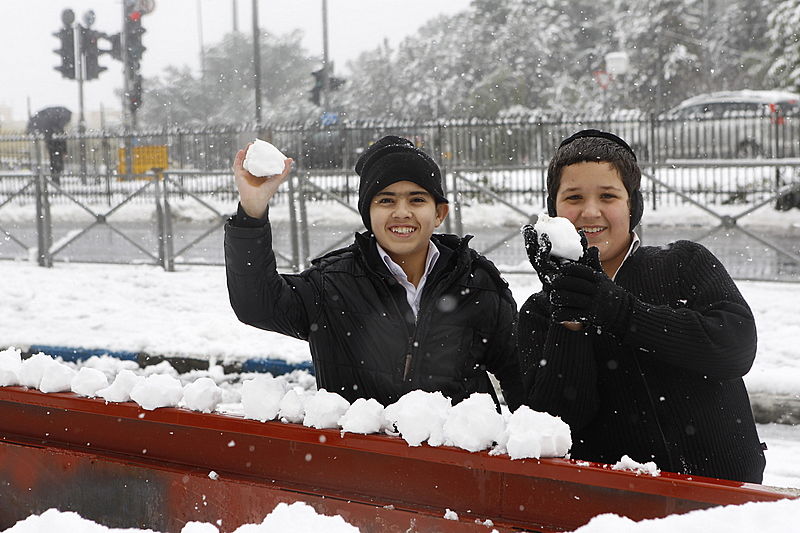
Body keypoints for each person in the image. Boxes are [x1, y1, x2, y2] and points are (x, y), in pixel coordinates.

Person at [518, 129, 766, 483]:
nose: (590, 212)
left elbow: (735, 350)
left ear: (633, 205)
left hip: (726, 496)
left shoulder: (683, 263)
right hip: (615, 502)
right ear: (553, 210)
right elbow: (554, 425)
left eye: (608, 196)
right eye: (573, 197)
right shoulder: (539, 312)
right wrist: (569, 319)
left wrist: (618, 310)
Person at [224, 135, 523, 410]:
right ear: (368, 213)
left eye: (417, 199)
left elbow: (521, 379)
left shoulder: (479, 284)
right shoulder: (331, 285)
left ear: (439, 213)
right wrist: (252, 210)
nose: (402, 212)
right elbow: (256, 303)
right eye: (386, 200)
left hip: (457, 452)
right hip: (357, 451)